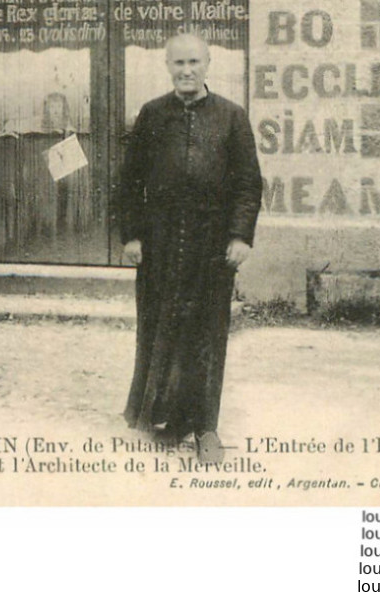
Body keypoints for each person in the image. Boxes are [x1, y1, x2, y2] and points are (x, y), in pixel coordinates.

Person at [115, 32, 262, 462]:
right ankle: (166, 419)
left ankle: (206, 428)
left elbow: (249, 185)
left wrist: (240, 235)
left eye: (194, 62)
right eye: (178, 63)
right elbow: (130, 182)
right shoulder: (152, 115)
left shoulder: (232, 118)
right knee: (161, 330)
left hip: (211, 247)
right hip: (160, 244)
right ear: (167, 66)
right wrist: (132, 234)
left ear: (208, 64)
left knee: (206, 336)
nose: (186, 70)